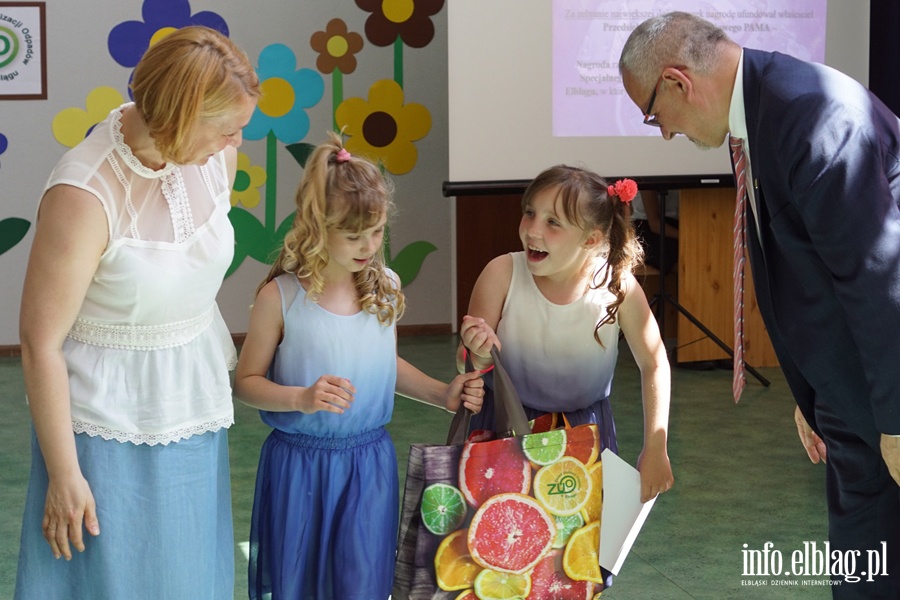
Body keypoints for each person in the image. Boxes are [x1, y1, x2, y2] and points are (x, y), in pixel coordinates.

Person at [619, 12, 900, 597]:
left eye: (652, 114)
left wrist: (898, 424)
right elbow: (804, 272)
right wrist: (810, 389)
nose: (663, 131)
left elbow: (877, 281)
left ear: (677, 82)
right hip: (853, 397)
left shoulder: (814, 118)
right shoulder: (758, 114)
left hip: (886, 394)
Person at [15, 26, 260, 598]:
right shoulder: (82, 195)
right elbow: (39, 342)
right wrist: (65, 474)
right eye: (226, 129)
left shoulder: (214, 156)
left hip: (192, 411)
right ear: (178, 117)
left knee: (188, 576)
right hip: (104, 434)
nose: (235, 142)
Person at [233, 132, 485, 600]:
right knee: (298, 582)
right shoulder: (280, 297)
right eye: (353, 236)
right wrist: (301, 398)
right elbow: (245, 383)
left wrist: (441, 394)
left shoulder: (385, 286)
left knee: (363, 583)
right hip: (298, 466)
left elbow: (383, 364)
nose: (369, 245)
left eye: (377, 231)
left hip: (369, 464)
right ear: (317, 226)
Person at [458, 165, 674, 509]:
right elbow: (470, 365)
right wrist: (479, 352)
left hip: (586, 434)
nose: (532, 230)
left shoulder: (617, 287)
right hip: (503, 431)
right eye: (530, 213)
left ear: (590, 238)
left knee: (582, 553)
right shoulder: (501, 273)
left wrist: (656, 446)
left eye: (553, 222)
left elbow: (654, 362)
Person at [630, 189, 679, 274]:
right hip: (646, 228)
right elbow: (655, 225)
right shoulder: (650, 180)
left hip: (673, 226)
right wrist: (687, 237)